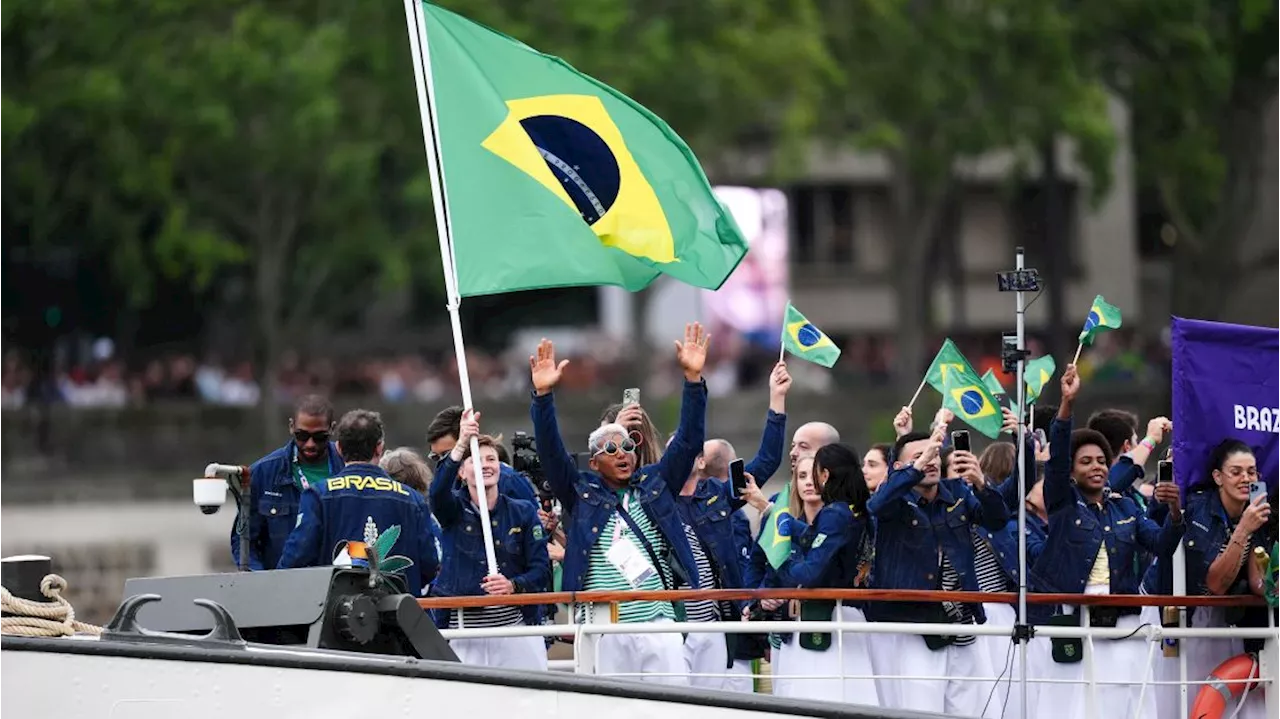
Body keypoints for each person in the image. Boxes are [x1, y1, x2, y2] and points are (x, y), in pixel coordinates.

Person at [528, 323, 709, 685]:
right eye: (611, 449)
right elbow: (550, 452)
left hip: (658, 618)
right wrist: (543, 396)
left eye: (627, 446)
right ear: (594, 462)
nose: (623, 453)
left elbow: (688, 442)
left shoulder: (656, 484)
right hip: (604, 621)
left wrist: (692, 380)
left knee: (674, 707)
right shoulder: (581, 493)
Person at [1027, 365, 1183, 719]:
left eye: (1101, 460)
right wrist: (1067, 403)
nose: (1096, 466)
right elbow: (1055, 464)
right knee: (1073, 711)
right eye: (1085, 461)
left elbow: (1161, 545)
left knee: (1128, 706)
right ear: (1070, 470)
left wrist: (1174, 512)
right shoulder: (1063, 503)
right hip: (1073, 621)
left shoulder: (1127, 505)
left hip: (1125, 625)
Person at [866, 423, 1009, 718]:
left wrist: (982, 484)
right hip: (914, 626)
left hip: (963, 622)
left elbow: (997, 520)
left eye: (933, 454)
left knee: (973, 711)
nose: (930, 460)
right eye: (920, 455)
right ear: (900, 466)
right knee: (921, 710)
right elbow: (875, 506)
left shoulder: (957, 491)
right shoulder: (895, 500)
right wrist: (915, 468)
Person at [676, 360, 790, 691]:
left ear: (699, 461)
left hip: (716, 625)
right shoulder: (656, 501)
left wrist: (776, 399)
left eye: (681, 451)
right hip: (672, 627)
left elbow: (766, 462)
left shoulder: (716, 495)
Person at [429, 410, 550, 671]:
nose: (486, 465)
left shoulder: (523, 512)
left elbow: (541, 570)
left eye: (491, 459)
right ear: (461, 472)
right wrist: (461, 443)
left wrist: (513, 585)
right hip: (463, 632)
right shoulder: (452, 511)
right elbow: (437, 492)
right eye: (476, 460)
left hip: (515, 630)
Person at [761, 445, 879, 705]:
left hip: (828, 617)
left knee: (820, 699)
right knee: (853, 698)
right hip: (852, 614)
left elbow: (812, 571)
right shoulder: (860, 510)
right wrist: (793, 527)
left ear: (825, 474)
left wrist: (782, 567)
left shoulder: (835, 512)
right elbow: (832, 546)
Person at [277, 410, 440, 597]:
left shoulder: (318, 495)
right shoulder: (413, 499)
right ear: (379, 447)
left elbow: (294, 560)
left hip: (336, 617)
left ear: (338, 448)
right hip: (400, 616)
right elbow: (429, 565)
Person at [1178, 439, 1270, 719]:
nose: (1246, 479)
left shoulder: (1254, 509)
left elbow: (1259, 584)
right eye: (1237, 472)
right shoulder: (1199, 509)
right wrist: (1243, 529)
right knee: (1187, 694)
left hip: (1226, 619)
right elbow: (1214, 584)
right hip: (1185, 617)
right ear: (1217, 477)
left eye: (1252, 472)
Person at [232, 394, 344, 570]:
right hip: (280, 588)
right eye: (302, 435)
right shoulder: (263, 473)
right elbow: (244, 541)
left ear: (332, 429)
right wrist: (260, 582)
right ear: (291, 427)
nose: (310, 444)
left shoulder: (347, 468)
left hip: (337, 586)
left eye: (319, 437)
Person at [424, 405, 537, 504]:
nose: (444, 462)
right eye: (435, 457)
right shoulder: (450, 487)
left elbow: (535, 524)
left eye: (447, 454)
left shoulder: (508, 480)